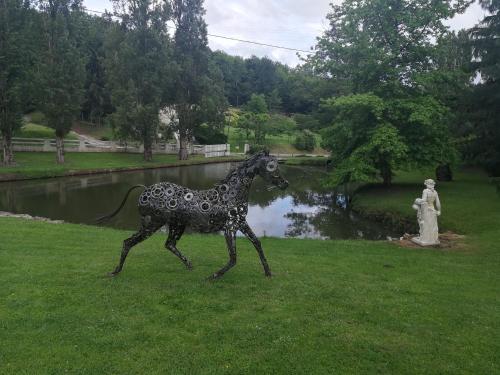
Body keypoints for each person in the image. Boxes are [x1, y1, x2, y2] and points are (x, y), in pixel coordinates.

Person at [411, 179, 441, 246]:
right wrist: (439, 210)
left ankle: (425, 239)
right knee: (432, 225)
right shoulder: (435, 192)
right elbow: (438, 203)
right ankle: (432, 239)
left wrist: (417, 200)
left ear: (427, 184)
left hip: (426, 210)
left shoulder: (425, 191)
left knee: (425, 224)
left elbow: (424, 200)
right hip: (433, 210)